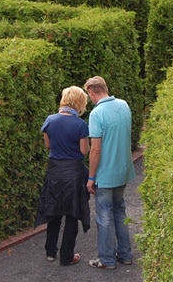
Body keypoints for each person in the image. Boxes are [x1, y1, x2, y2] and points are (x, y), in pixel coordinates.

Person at [35, 86, 91, 266]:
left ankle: (50, 251)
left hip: (54, 171)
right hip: (74, 172)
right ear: (79, 102)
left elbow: (48, 146)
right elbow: (84, 151)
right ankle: (67, 255)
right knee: (72, 213)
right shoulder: (80, 124)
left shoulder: (50, 120)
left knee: (54, 212)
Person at [83, 76, 135, 270]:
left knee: (104, 215)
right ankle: (125, 254)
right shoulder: (123, 105)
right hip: (123, 170)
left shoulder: (97, 114)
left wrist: (91, 177)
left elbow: (95, 150)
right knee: (120, 211)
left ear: (91, 92)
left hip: (105, 173)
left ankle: (107, 259)